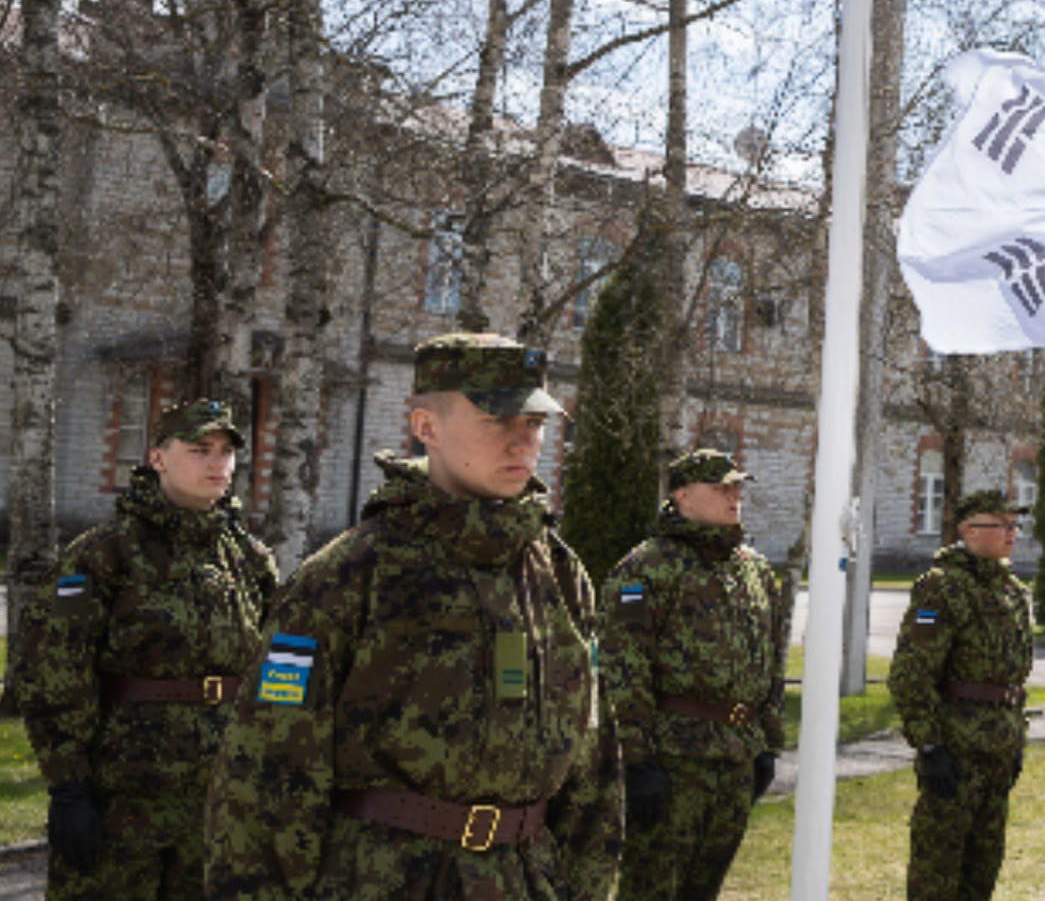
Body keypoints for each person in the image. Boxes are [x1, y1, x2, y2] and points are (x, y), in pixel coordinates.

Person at [203, 332, 622, 897]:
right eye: (499, 421)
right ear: (426, 427)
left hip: (525, 881)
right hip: (386, 881)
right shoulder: (353, 572)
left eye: (536, 424)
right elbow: (268, 768)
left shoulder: (561, 574)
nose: (524, 443)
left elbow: (591, 758)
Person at [16, 399, 276, 899]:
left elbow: (280, 672)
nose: (217, 464)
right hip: (123, 795)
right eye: (200, 449)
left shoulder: (250, 559)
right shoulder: (105, 553)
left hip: (220, 795)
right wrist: (69, 785)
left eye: (226, 452)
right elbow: (51, 669)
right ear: (157, 457)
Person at [600, 448, 789, 901]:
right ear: (682, 494)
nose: (734, 496)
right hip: (673, 760)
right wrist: (637, 761)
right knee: (653, 889)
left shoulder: (755, 570)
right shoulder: (646, 567)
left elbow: (770, 660)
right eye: (721, 487)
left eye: (737, 486)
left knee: (705, 888)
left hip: (736, 757)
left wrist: (768, 743)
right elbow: (622, 667)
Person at [889, 490, 1035, 901]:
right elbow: (910, 675)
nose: (1011, 533)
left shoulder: (1013, 592)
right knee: (937, 874)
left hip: (998, 752)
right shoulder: (942, 588)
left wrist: (1016, 738)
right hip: (957, 752)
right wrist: (931, 744)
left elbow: (1015, 677)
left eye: (1014, 524)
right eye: (1001, 524)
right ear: (969, 531)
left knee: (982, 870)